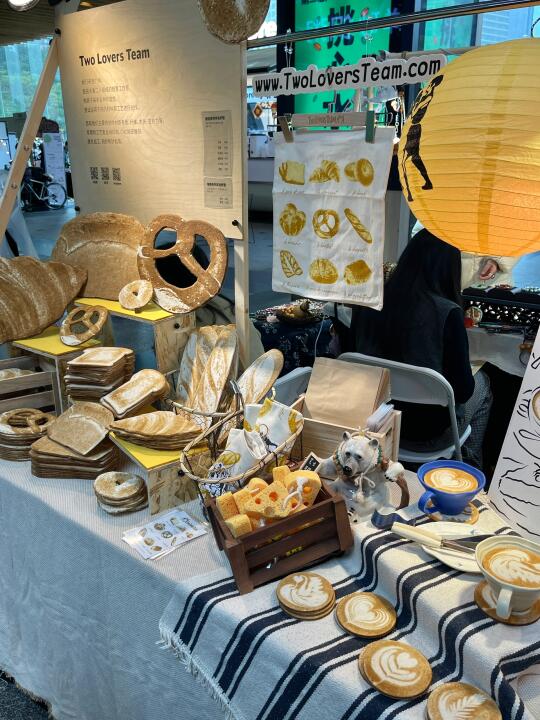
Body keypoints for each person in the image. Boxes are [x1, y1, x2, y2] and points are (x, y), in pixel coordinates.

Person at [350, 229, 492, 469]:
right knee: (483, 383)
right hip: (426, 434)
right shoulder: (448, 312)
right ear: (450, 269)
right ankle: (468, 466)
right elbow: (463, 391)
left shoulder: (371, 300)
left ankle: (466, 464)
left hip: (375, 418)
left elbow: (353, 358)